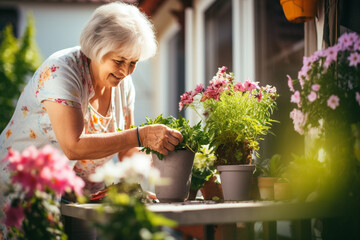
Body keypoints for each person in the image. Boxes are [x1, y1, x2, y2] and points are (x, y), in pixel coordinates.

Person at [0, 2, 183, 238]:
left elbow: (127, 152)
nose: (126, 72)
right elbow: (73, 146)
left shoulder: (123, 85)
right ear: (96, 48)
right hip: (25, 189)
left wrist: (164, 160)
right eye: (119, 61)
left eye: (133, 63)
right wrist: (142, 135)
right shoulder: (62, 71)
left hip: (82, 198)